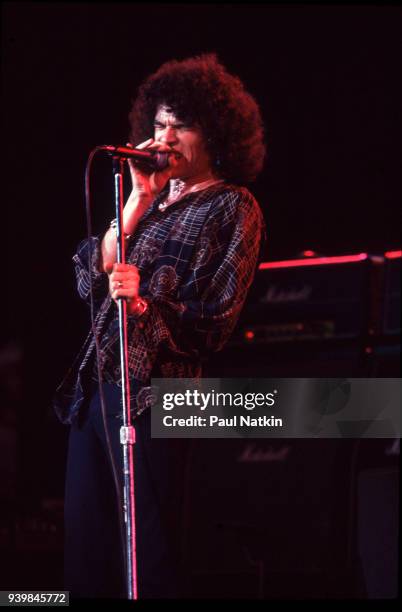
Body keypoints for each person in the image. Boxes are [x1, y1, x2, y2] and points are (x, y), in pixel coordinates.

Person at [54, 53, 266, 599]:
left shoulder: (232, 206)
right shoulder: (149, 202)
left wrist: (145, 304)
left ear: (215, 133)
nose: (165, 137)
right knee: (86, 554)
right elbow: (88, 275)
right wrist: (138, 199)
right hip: (98, 392)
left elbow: (217, 317)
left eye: (181, 125)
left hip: (162, 396)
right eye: (158, 124)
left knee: (150, 555)